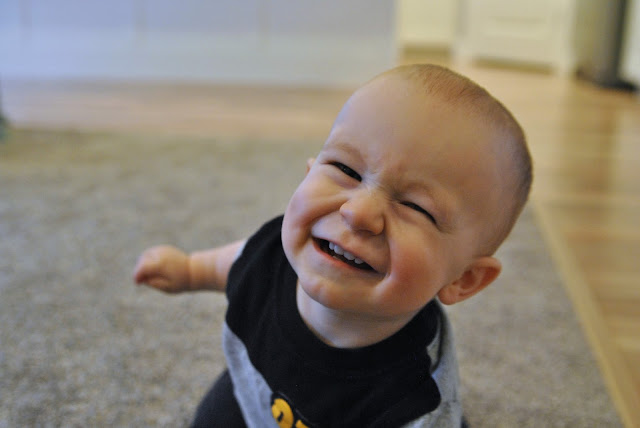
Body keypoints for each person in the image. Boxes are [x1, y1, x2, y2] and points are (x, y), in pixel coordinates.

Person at [133, 63, 532, 427]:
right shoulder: (272, 253)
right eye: (345, 169)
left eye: (416, 207)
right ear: (310, 173)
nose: (358, 212)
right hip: (257, 391)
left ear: (464, 278)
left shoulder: (415, 404)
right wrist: (190, 270)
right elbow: (239, 260)